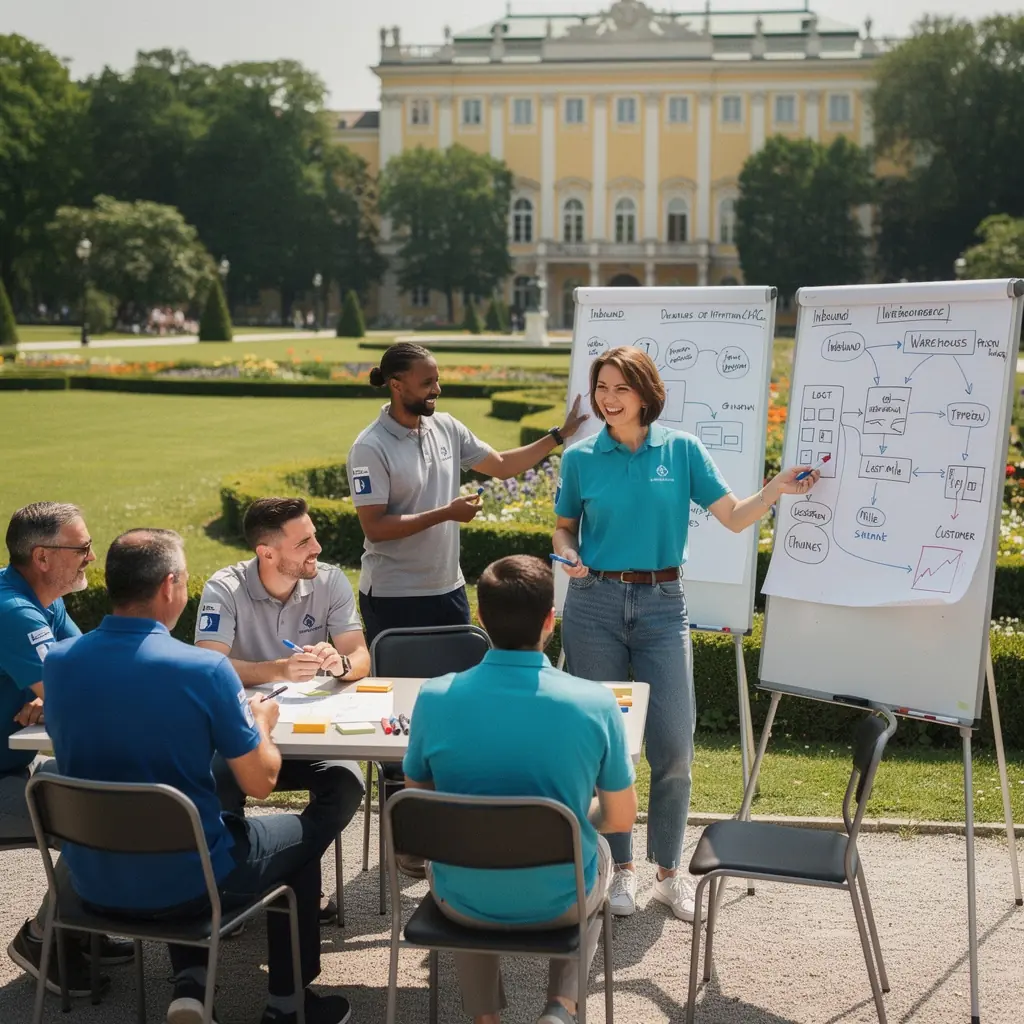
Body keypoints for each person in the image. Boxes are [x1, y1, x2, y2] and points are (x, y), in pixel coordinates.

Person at [552, 346, 819, 923]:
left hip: (663, 605)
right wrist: (567, 555)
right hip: (593, 603)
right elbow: (564, 528)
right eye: (601, 387)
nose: (608, 399)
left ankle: (669, 876)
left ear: (646, 393)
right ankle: (619, 870)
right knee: (607, 748)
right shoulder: (580, 459)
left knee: (673, 746)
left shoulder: (681, 449)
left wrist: (775, 490)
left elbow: (732, 515)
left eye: (620, 388)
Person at [43, 529, 353, 1024]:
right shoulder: (204, 670)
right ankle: (289, 1005)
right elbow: (260, 781)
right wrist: (261, 725)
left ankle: (191, 984)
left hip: (92, 883)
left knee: (181, 822)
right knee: (308, 831)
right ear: (169, 587)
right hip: (189, 884)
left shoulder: (58, 663)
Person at [403, 555, 637, 1024]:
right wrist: (571, 826)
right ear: (551, 620)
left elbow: (420, 804)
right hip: (562, 901)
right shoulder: (596, 702)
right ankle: (561, 1006)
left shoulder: (434, 696)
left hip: (461, 902)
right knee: (599, 855)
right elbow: (620, 818)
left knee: (465, 844)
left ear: (480, 617)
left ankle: (485, 1018)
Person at [347, 341, 587, 648]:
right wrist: (447, 513)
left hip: (450, 589)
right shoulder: (369, 448)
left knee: (456, 689)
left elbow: (500, 465)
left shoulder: (446, 426)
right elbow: (375, 528)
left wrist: (557, 436)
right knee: (403, 691)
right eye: (427, 383)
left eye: (437, 380)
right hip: (395, 595)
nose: (437, 389)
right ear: (396, 385)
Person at [195, 497, 367, 923]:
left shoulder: (330, 582)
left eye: (313, 536)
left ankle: (280, 875)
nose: (318, 548)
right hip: (243, 736)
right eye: (304, 541)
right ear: (267, 553)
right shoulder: (224, 587)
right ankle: (233, 889)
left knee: (347, 784)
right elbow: (208, 664)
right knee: (217, 781)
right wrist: (279, 669)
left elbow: (360, 655)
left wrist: (339, 664)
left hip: (312, 733)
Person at [0, 503, 133, 996]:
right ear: (41, 556)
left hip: (11, 768)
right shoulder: (12, 610)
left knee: (107, 787)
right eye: (81, 548)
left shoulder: (43, 597)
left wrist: (51, 695)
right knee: (95, 815)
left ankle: (78, 932)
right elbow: (76, 692)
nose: (92, 558)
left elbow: (86, 671)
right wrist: (55, 694)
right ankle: (43, 939)